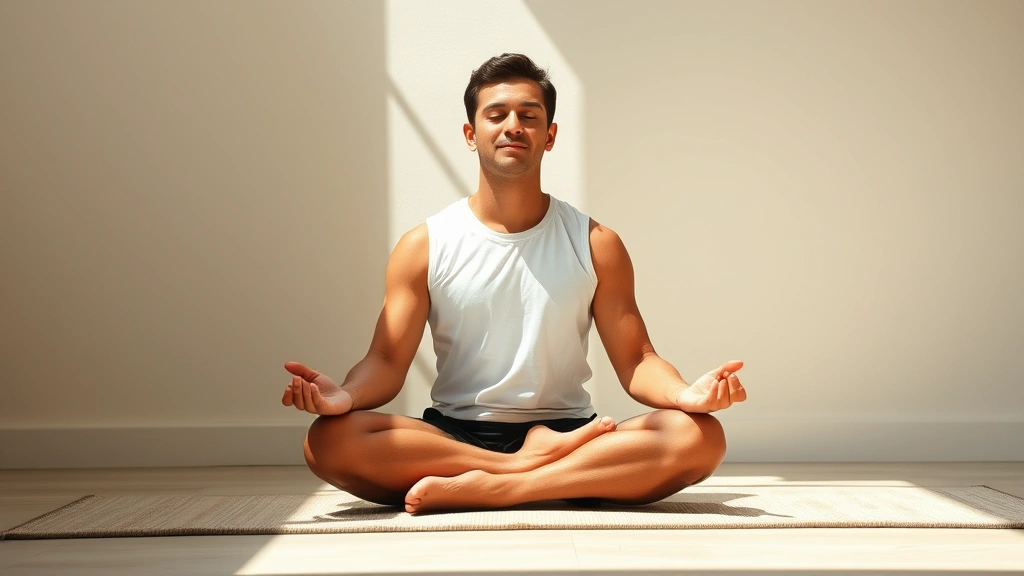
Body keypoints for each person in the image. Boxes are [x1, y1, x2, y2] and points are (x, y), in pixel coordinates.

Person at [282, 53, 747, 515]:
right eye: (496, 114)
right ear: (471, 134)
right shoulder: (423, 245)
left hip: (571, 435)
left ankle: (503, 488)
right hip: (455, 436)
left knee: (699, 436)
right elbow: (385, 360)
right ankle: (528, 472)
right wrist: (344, 396)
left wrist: (685, 395)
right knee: (328, 441)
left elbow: (637, 360)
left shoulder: (596, 243)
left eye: (529, 115)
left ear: (550, 136)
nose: (513, 126)